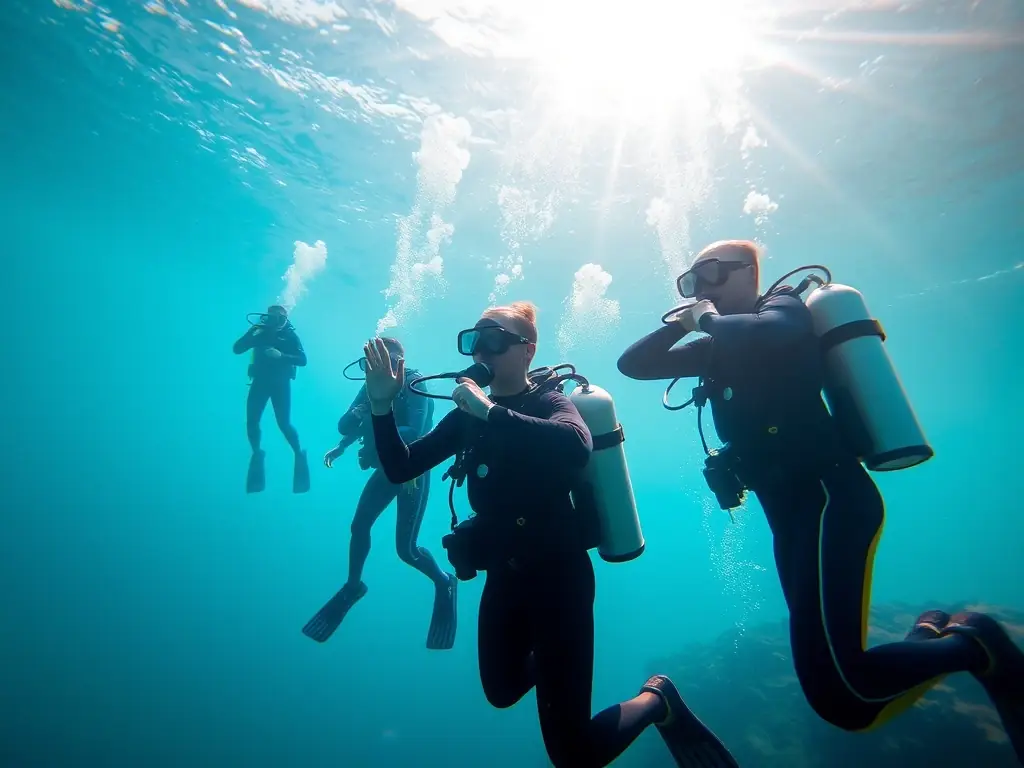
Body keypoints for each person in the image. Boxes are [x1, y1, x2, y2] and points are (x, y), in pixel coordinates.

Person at [617, 239, 1024, 761]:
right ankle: (934, 636)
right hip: (791, 518)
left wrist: (706, 320)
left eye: (712, 273)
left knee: (846, 690)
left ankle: (976, 643)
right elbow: (635, 364)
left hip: (833, 501)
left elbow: (776, 332)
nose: (702, 288)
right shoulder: (716, 345)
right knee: (835, 695)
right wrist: (684, 321)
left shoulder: (783, 306)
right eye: (691, 280)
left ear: (749, 274)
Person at [362, 302, 738, 768]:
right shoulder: (465, 418)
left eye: (495, 339)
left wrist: (488, 411)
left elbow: (574, 447)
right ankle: (561, 656)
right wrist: (381, 406)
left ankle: (657, 700)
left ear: (527, 351)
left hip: (559, 580)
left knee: (572, 754)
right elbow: (401, 466)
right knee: (500, 691)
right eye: (474, 340)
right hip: (506, 573)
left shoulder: (550, 401)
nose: (481, 350)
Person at [303, 337, 457, 650]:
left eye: (385, 360)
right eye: (371, 361)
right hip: (386, 469)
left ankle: (444, 581)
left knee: (406, 550)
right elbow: (346, 424)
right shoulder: (370, 385)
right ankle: (353, 585)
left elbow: (418, 429)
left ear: (399, 361)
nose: (376, 367)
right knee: (358, 526)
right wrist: (348, 439)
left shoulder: (414, 384)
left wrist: (377, 423)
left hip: (412, 469)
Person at [232, 305, 310, 494]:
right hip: (260, 382)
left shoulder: (290, 336)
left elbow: (302, 359)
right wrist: (253, 332)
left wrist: (282, 356)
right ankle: (257, 451)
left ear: (285, 320)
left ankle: (298, 452)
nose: (276, 323)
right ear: (267, 317)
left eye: (281, 319)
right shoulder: (259, 331)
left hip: (280, 384)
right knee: (252, 421)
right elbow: (237, 348)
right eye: (272, 318)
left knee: (283, 423)